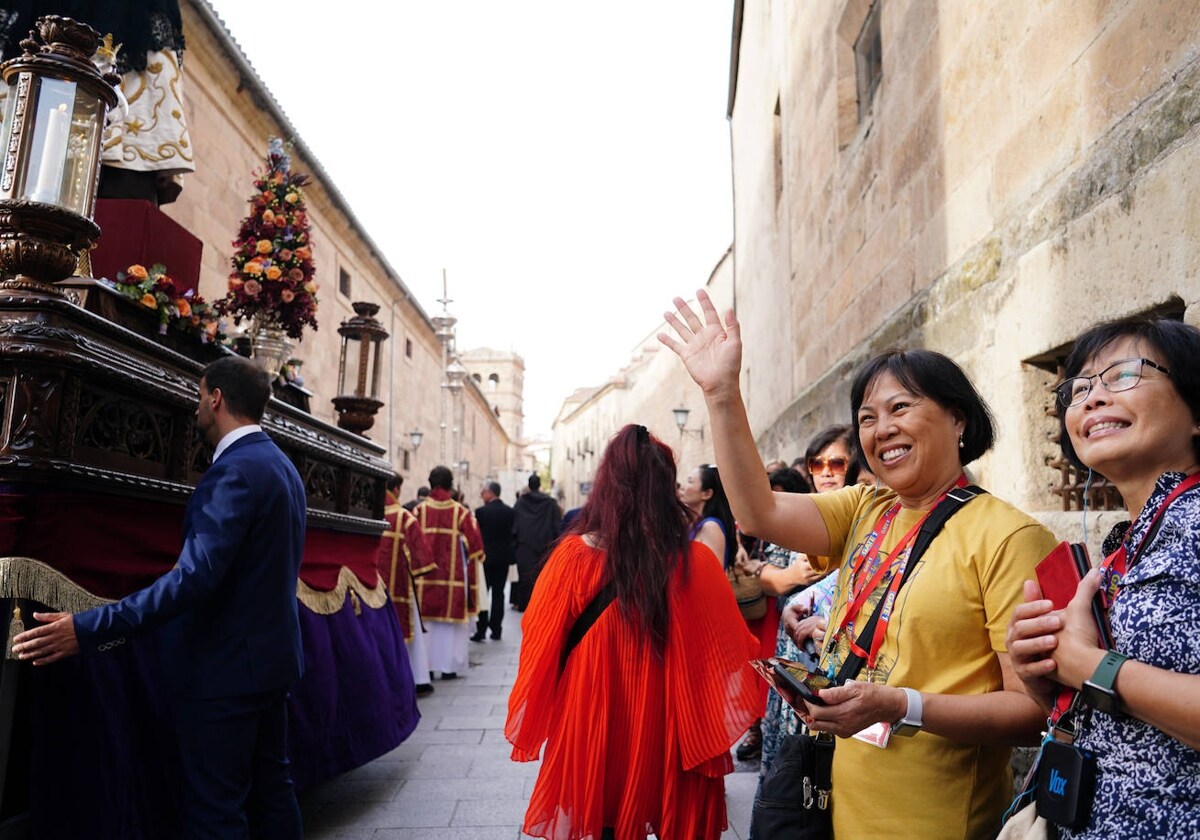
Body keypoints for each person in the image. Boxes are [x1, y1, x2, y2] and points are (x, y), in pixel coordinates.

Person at [660, 290, 1058, 838]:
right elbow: (759, 510)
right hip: (838, 804)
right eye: (867, 417)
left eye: (901, 408)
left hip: (933, 819)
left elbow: (1033, 712)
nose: (881, 430)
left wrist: (899, 706)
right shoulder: (868, 508)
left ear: (958, 418)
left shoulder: (1010, 537)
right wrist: (722, 393)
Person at [13, 356, 307, 838]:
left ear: (216, 398)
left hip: (225, 671)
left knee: (216, 810)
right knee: (273, 789)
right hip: (271, 662)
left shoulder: (234, 471)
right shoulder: (280, 466)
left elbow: (194, 579)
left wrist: (87, 629)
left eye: (198, 398)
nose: (195, 411)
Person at [506, 424, 760, 839]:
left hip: (594, 713)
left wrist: (546, 707)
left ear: (607, 486)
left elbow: (538, 640)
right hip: (672, 722)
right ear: (665, 490)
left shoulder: (571, 558)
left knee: (607, 819)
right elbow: (731, 648)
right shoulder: (693, 562)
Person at [1006, 316, 1200, 838]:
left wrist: (1092, 666)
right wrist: (1045, 675)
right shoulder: (1126, 542)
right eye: (1080, 388)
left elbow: (1103, 674)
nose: (1092, 399)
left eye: (1124, 374)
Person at [414, 466, 484, 680]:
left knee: (428, 626)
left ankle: (427, 668)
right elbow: (477, 548)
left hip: (425, 582)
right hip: (452, 582)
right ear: (450, 484)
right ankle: (449, 667)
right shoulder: (460, 512)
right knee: (449, 630)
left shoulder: (419, 511)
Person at [379, 473, 438, 697]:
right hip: (400, 586)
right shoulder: (404, 518)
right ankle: (416, 678)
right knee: (407, 630)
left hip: (370, 587)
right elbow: (421, 556)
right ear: (395, 489)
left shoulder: (366, 513)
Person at [510, 473, 561, 610]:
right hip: (544, 548)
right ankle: (540, 606)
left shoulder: (520, 503)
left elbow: (513, 527)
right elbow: (557, 527)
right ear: (539, 485)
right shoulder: (550, 503)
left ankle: (524, 605)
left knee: (525, 579)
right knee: (542, 578)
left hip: (524, 548)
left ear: (529, 485)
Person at [474, 481, 515, 641]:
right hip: (503, 558)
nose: (481, 495)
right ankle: (496, 629)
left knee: (483, 593)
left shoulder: (481, 512)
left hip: (485, 558)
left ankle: (481, 630)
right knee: (499, 594)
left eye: (483, 491)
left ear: (490, 493)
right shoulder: (510, 512)